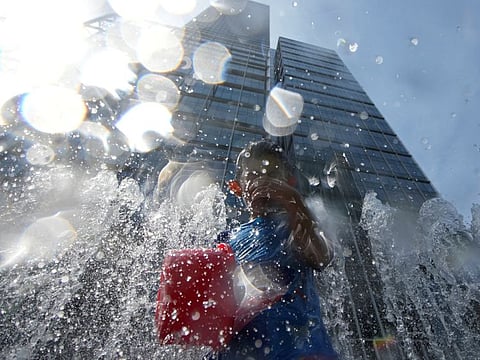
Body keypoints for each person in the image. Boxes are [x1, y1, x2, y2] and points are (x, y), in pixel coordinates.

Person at [210, 140, 338, 359]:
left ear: (289, 182)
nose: (264, 182)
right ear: (237, 188)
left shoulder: (295, 225)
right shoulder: (227, 239)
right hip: (240, 350)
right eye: (253, 176)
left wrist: (296, 206)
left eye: (272, 175)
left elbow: (322, 257)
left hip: (299, 348)